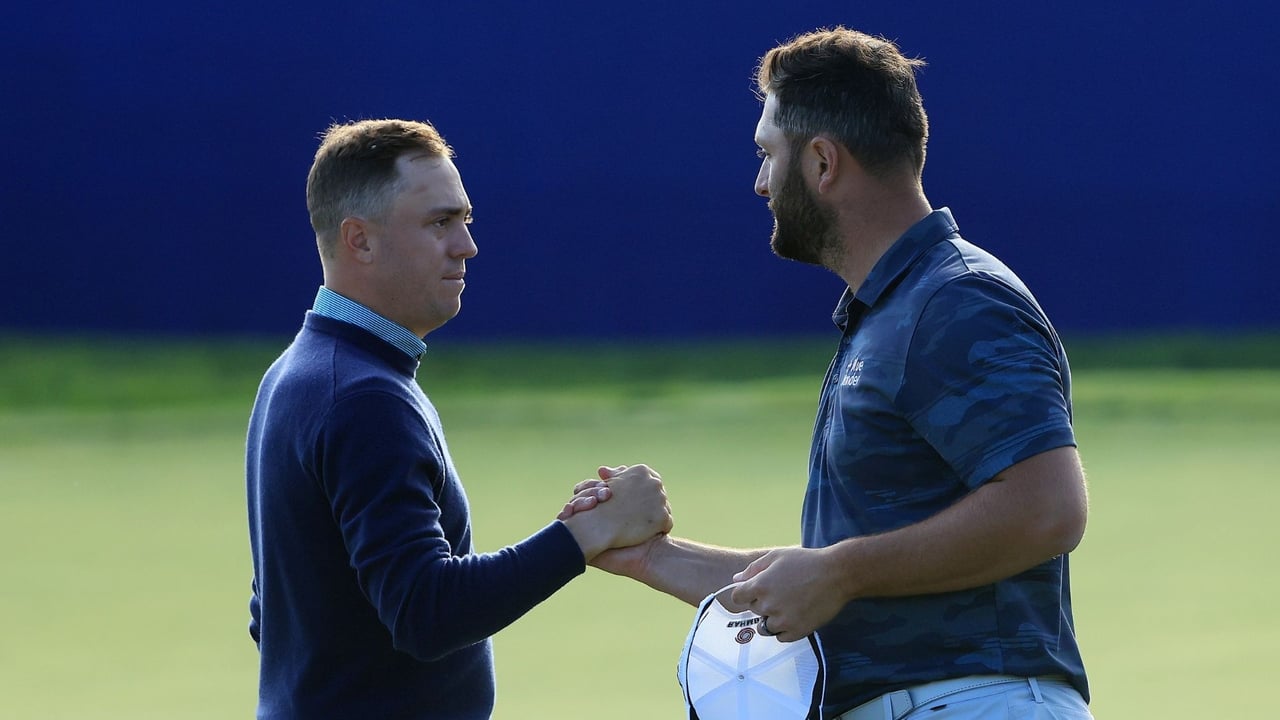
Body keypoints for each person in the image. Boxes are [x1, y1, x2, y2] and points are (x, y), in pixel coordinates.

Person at [563, 27, 1092, 719]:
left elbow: (1048, 509)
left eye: (766, 154)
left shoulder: (956, 299)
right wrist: (650, 558)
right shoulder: (891, 311)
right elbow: (825, 579)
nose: (758, 181)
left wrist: (840, 570)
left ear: (821, 161)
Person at [245, 118, 672, 720]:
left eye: (464, 220)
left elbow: (275, 613)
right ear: (359, 240)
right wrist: (589, 534)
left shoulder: (298, 373)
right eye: (439, 222)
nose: (467, 245)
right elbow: (427, 613)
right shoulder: (364, 398)